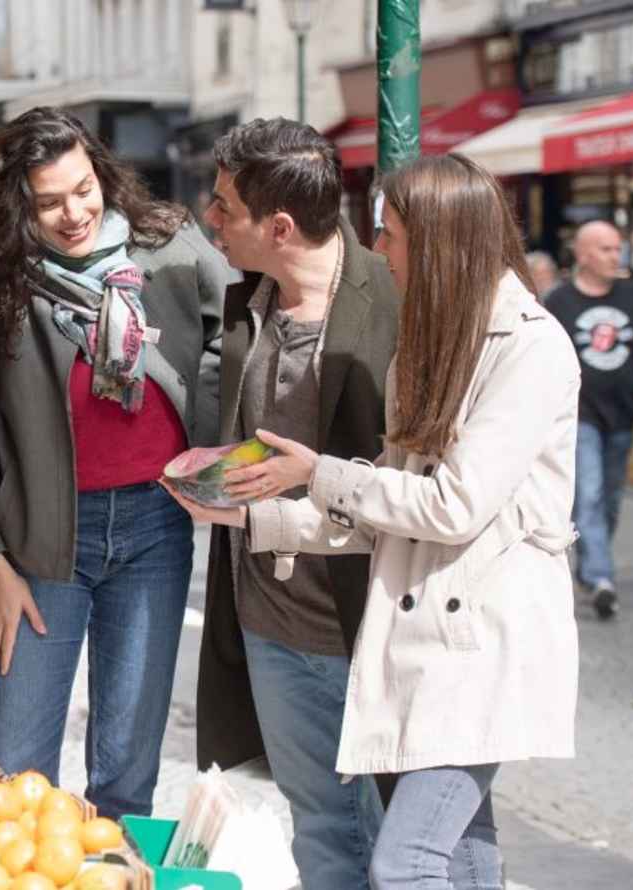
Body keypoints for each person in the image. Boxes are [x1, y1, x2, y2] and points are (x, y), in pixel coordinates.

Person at [172, 152, 581, 890]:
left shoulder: (531, 346)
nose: (380, 250)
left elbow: (452, 505)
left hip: (477, 645)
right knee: (462, 851)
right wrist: (250, 517)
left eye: (390, 234)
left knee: (406, 861)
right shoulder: (424, 349)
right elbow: (380, 517)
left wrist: (319, 472)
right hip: (419, 648)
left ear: (439, 241)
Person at [0, 107, 234, 819]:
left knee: (127, 775)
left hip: (156, 530)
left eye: (84, 189)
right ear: (16, 199)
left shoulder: (166, 246)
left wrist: (203, 437)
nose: (74, 213)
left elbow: (235, 328)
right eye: (49, 200)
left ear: (103, 174)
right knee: (14, 774)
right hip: (37, 549)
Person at [196, 117, 400, 889]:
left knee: (399, 844)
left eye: (224, 207)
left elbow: (413, 481)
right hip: (268, 624)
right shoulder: (248, 299)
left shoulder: (392, 299)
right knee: (318, 824)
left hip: (364, 624)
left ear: (279, 226)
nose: (210, 220)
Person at [544, 221, 633, 618]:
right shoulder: (559, 300)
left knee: (611, 499)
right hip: (580, 415)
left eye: (618, 249)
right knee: (590, 494)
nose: (616, 256)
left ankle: (591, 564)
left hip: (623, 414)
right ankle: (601, 577)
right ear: (582, 254)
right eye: (605, 249)